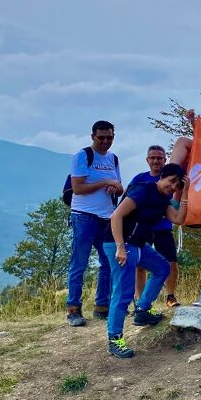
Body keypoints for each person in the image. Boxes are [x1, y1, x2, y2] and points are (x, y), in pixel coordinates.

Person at [103, 164, 189, 358]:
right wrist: (120, 247)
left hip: (138, 245)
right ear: (162, 177)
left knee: (162, 268)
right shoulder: (143, 191)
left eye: (177, 184)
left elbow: (178, 219)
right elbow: (116, 215)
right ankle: (115, 339)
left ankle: (142, 310)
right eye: (172, 181)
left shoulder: (163, 199)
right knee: (123, 292)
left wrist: (185, 193)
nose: (173, 186)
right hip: (119, 243)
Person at [66, 120, 123, 327]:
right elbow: (78, 188)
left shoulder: (113, 159)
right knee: (79, 263)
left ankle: (102, 306)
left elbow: (119, 187)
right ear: (93, 137)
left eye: (110, 137)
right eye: (102, 138)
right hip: (83, 215)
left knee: (108, 262)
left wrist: (114, 188)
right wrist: (105, 183)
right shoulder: (83, 156)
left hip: (107, 216)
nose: (106, 141)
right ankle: (73, 309)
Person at [129, 146, 183, 309]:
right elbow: (129, 196)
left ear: (165, 160)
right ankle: (139, 298)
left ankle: (170, 296)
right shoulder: (140, 178)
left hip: (163, 227)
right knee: (140, 264)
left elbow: (175, 201)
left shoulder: (172, 179)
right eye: (152, 157)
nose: (155, 161)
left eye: (159, 158)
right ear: (147, 160)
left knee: (171, 262)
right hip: (143, 227)